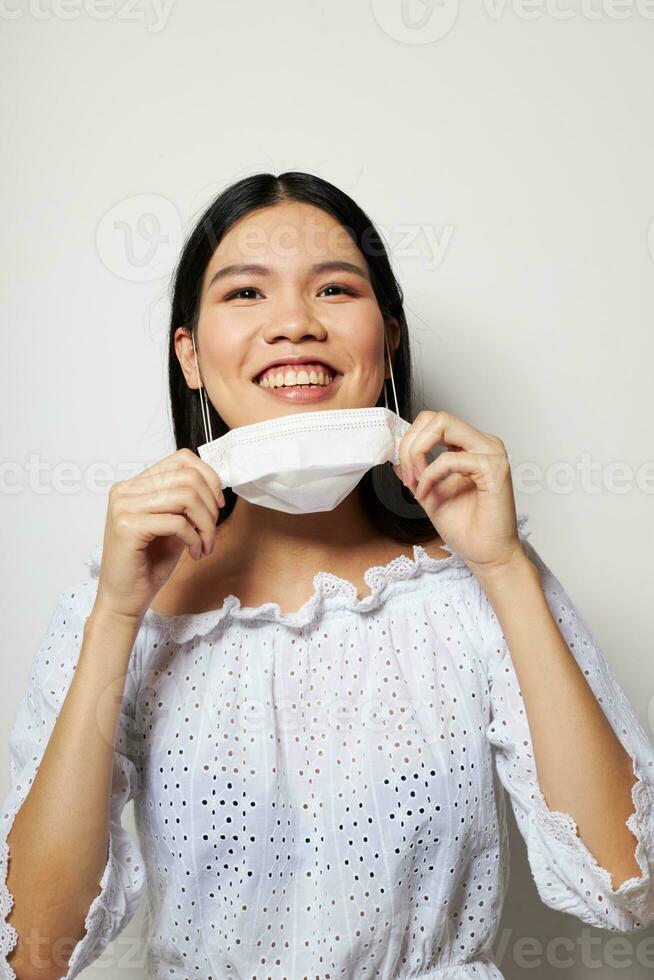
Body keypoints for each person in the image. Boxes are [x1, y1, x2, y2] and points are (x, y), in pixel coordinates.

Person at [2, 172, 653, 980]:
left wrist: (503, 566)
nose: (294, 325)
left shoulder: (476, 587)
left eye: (334, 288)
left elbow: (626, 884)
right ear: (190, 356)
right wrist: (115, 616)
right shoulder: (116, 609)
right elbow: (36, 951)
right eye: (245, 293)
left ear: (388, 339)